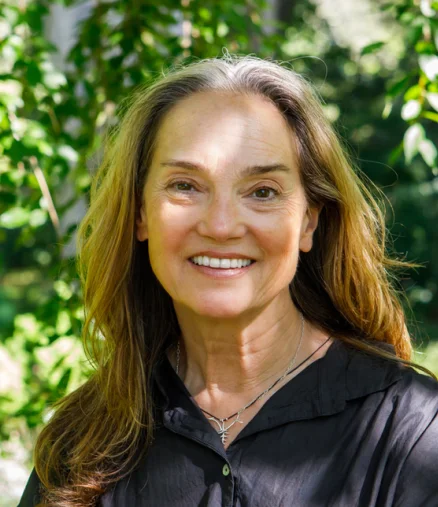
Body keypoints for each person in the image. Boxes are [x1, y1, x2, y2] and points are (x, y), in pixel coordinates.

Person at [19, 55, 438, 507]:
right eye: (185, 186)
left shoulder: (413, 432)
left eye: (263, 192)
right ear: (140, 213)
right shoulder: (81, 442)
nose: (221, 226)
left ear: (309, 222)